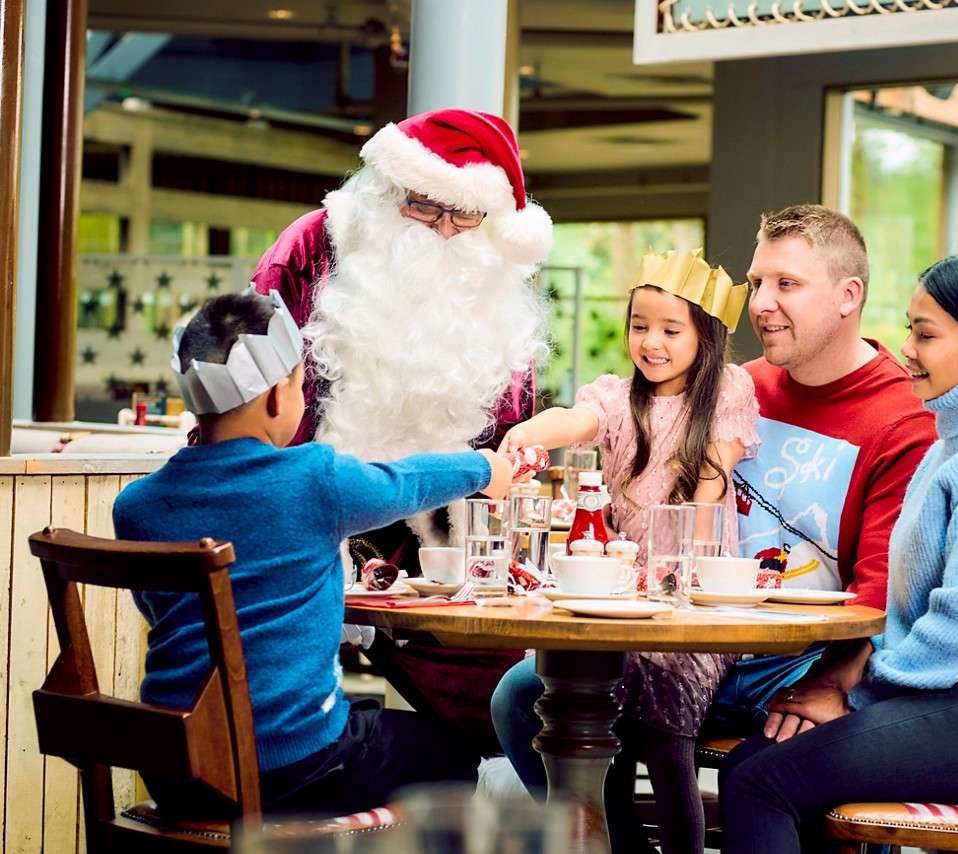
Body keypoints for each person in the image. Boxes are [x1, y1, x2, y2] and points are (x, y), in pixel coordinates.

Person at [113, 291, 517, 816]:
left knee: (368, 721)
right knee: (454, 756)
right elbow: (405, 482)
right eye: (301, 384)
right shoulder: (313, 480)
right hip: (291, 770)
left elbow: (167, 613)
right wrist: (485, 468)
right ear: (276, 398)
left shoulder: (136, 508)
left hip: (172, 771)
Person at [250, 108, 552, 752]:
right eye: (423, 207)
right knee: (291, 708)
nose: (443, 230)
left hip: (441, 542)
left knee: (510, 713)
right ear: (388, 193)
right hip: (309, 523)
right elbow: (251, 394)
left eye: (463, 215)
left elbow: (508, 435)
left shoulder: (494, 273)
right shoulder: (312, 247)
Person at [718, 251, 958, 852]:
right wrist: (848, 684)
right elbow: (904, 611)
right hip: (953, 690)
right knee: (752, 763)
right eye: (910, 329)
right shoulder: (947, 446)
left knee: (762, 782)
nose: (906, 349)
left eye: (926, 335)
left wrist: (852, 694)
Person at [493, 248, 760, 853]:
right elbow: (575, 419)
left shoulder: (726, 393)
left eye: (671, 329)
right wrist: (527, 432)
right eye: (640, 326)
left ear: (706, 336)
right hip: (622, 606)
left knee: (665, 738)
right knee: (529, 698)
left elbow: (707, 491)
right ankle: (612, 843)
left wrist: (678, 580)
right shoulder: (618, 398)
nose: (651, 342)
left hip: (693, 609)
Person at [707, 204, 937, 734]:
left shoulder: (905, 419)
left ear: (847, 295)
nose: (761, 303)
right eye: (757, 283)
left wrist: (834, 682)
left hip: (805, 660)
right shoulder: (739, 387)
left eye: (786, 284)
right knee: (528, 691)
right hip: (702, 642)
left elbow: (884, 589)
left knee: (772, 766)